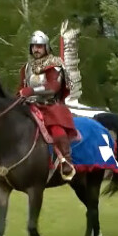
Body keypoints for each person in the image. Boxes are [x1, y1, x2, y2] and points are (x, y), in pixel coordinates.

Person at [19, 30, 78, 179]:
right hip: (29, 106)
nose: (36, 49)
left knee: (57, 131)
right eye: (33, 46)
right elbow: (21, 88)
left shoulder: (55, 64)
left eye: (39, 46)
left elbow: (53, 87)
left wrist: (31, 90)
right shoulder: (27, 67)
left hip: (50, 106)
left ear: (46, 47)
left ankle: (66, 161)